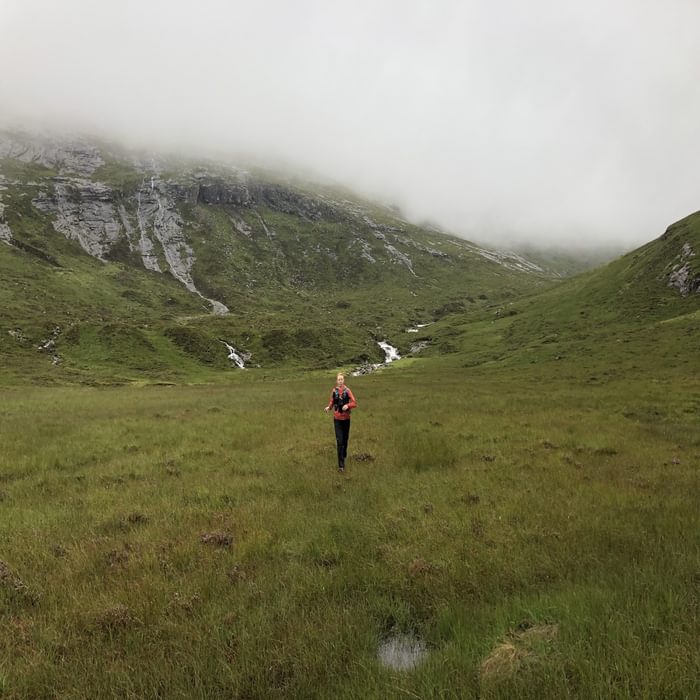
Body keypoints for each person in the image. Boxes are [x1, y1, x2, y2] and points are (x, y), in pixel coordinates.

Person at [324, 372, 357, 472]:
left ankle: (344, 453)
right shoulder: (334, 391)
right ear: (336, 381)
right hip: (337, 419)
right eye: (339, 380)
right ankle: (341, 466)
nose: (340, 381)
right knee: (339, 441)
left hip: (346, 419)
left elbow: (354, 402)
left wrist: (348, 406)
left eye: (342, 379)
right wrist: (328, 408)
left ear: (344, 380)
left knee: (345, 439)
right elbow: (332, 401)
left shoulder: (348, 391)